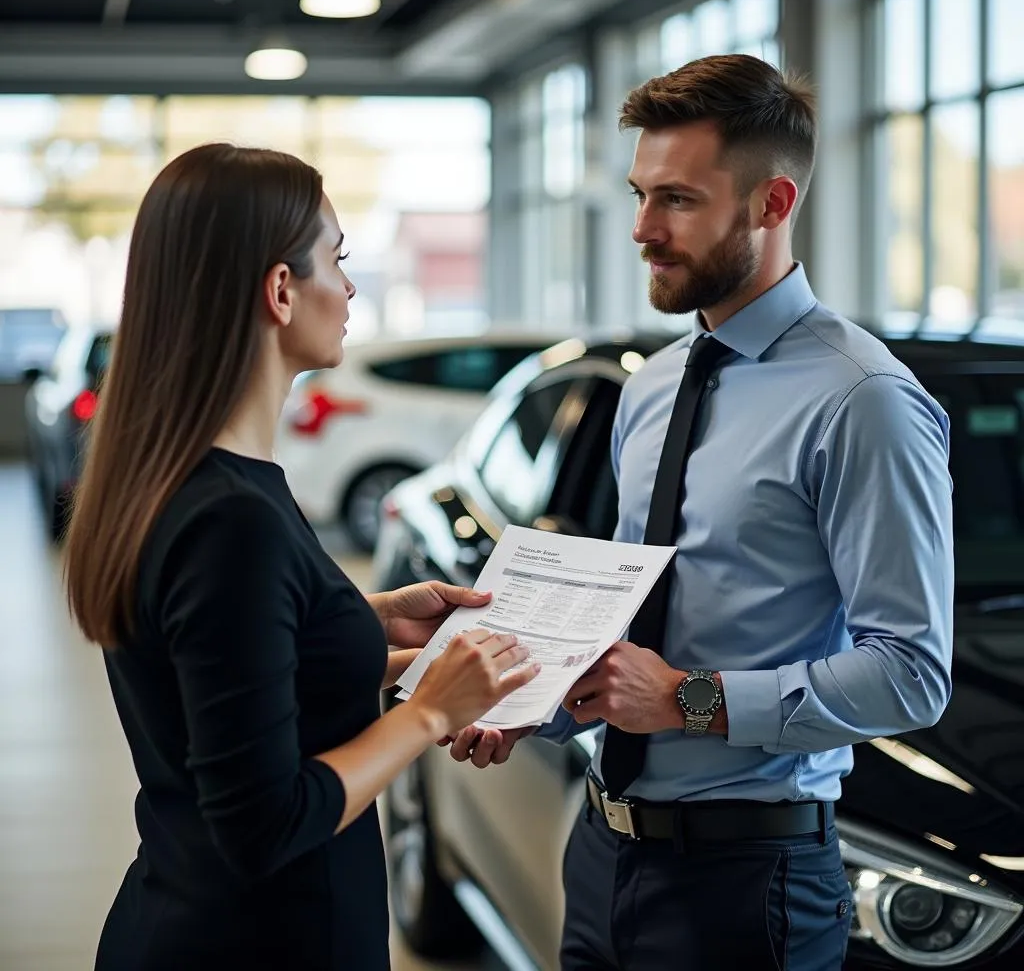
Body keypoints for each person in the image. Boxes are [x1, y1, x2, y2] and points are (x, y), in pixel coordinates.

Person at [445, 54, 954, 971]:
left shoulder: (862, 399)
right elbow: (638, 616)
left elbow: (911, 673)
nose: (642, 229)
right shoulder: (652, 389)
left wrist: (689, 702)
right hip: (600, 849)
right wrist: (542, 701)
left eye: (676, 199)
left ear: (772, 203)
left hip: (748, 883)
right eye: (640, 195)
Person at [63, 142, 540, 971]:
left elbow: (226, 685)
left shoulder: (198, 482)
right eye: (337, 259)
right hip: (258, 941)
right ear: (281, 290)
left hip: (192, 919)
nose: (350, 287)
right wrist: (428, 713)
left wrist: (360, 629)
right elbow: (265, 823)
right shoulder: (231, 521)